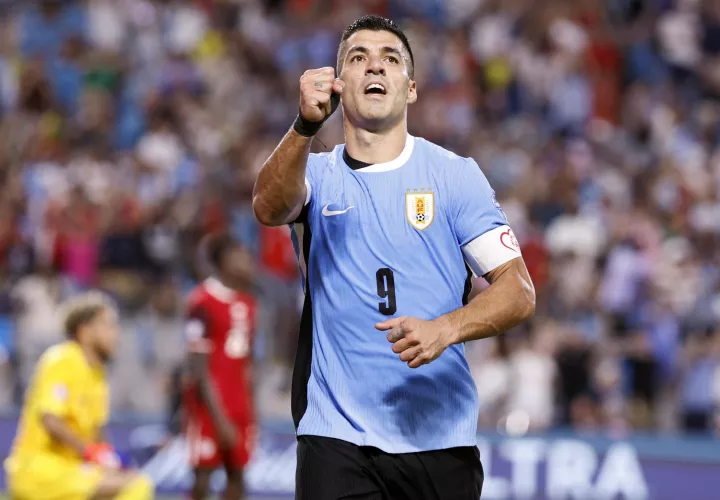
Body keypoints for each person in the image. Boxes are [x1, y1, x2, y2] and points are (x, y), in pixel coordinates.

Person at [252, 15, 536, 500]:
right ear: (340, 84)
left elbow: (519, 291)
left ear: (411, 89)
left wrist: (445, 328)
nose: (374, 67)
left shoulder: (454, 176)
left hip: (437, 436)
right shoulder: (315, 175)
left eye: (390, 59)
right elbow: (268, 206)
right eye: (357, 58)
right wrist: (304, 126)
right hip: (335, 436)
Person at [4, 292, 155, 500]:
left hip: (70, 471)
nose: (116, 334)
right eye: (108, 326)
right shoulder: (63, 359)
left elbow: (97, 432)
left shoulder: (97, 374)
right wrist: (91, 453)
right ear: (84, 332)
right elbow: (50, 419)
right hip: (40, 471)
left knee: (130, 478)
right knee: (136, 486)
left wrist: (110, 458)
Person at [182, 234, 257, 500]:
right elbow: (198, 368)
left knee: (237, 478)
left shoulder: (248, 303)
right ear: (223, 261)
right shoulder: (201, 301)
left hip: (240, 405)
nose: (248, 261)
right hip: (208, 408)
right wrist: (220, 417)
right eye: (240, 255)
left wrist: (252, 409)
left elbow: (248, 363)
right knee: (202, 480)